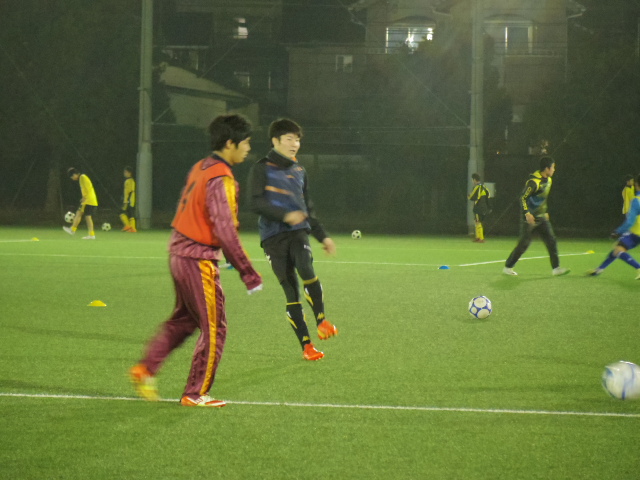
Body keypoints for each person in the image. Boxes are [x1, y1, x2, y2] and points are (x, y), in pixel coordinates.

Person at [129, 114, 263, 407]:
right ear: (230, 143)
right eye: (246, 143)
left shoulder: (201, 167)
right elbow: (224, 228)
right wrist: (248, 273)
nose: (248, 148)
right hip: (197, 258)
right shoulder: (221, 177)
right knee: (215, 328)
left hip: (178, 253)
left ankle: (146, 368)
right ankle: (195, 392)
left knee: (184, 320)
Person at [247, 118, 338, 361]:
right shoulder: (261, 168)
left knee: (306, 267)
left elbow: (308, 209)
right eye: (289, 139)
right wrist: (285, 215)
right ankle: (307, 347)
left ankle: (322, 320)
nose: (295, 144)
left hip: (298, 232)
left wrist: (323, 236)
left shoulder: (300, 171)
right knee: (290, 290)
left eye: (297, 140)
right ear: (275, 141)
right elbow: (254, 203)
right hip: (272, 237)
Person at [503, 156, 570, 276]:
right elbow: (522, 198)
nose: (554, 170)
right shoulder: (533, 182)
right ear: (547, 168)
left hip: (542, 217)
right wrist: (527, 214)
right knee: (524, 244)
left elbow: (542, 198)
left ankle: (556, 269)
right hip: (530, 219)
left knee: (551, 241)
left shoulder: (549, 180)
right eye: (553, 167)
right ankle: (508, 267)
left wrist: (545, 211)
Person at [588, 173, 640, 279]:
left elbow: (630, 222)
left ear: (636, 184)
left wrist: (617, 231)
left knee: (619, 250)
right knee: (618, 248)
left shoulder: (637, 200)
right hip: (636, 233)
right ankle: (599, 269)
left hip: (636, 232)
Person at [63, 168, 98, 240]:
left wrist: (84, 197)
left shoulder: (82, 177)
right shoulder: (83, 177)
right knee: (87, 216)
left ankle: (72, 229)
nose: (73, 179)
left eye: (72, 177)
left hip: (88, 200)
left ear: (74, 174)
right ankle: (91, 235)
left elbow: (87, 188)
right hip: (91, 199)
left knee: (80, 213)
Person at [468, 173, 491, 243]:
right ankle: (478, 237)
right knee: (477, 221)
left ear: (474, 180)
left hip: (478, 207)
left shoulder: (477, 187)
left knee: (478, 222)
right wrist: (489, 207)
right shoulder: (485, 187)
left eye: (473, 179)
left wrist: (469, 196)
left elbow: (472, 197)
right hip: (485, 208)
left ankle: (481, 238)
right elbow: (488, 197)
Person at [120, 166, 137, 232]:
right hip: (131, 199)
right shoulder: (131, 180)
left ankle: (129, 227)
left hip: (129, 200)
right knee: (129, 213)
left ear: (129, 173)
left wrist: (126, 200)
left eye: (125, 172)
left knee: (123, 212)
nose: (124, 173)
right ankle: (131, 227)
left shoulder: (129, 181)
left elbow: (129, 191)